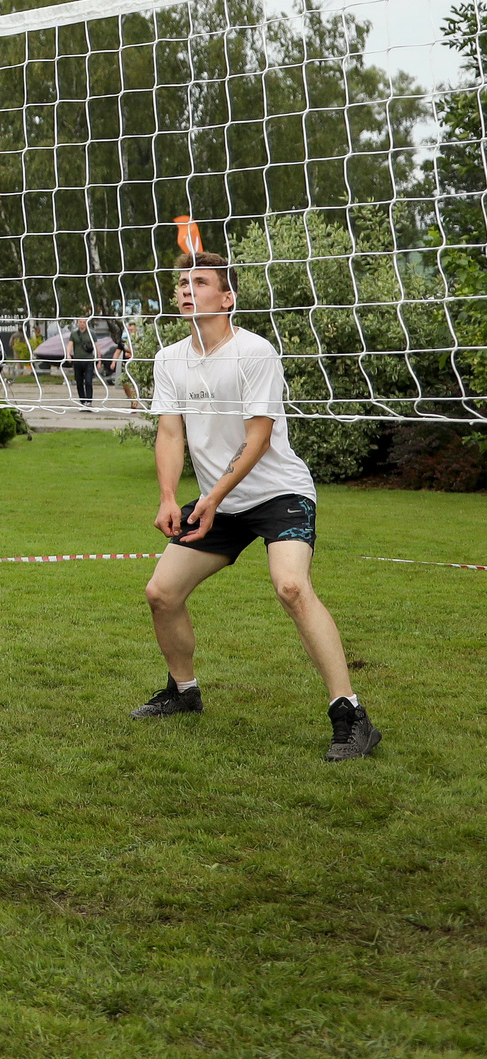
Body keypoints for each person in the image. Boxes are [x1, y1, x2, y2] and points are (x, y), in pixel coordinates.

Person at [132, 251, 378, 762]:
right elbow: (170, 432)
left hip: (278, 492)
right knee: (161, 592)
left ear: (227, 298)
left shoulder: (255, 352)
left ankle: (350, 714)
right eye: (182, 281)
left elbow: (259, 437)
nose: (185, 289)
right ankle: (183, 692)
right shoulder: (169, 358)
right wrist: (166, 497)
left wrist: (211, 498)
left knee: (291, 585)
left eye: (199, 282)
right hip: (218, 499)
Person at [67, 315, 98, 409]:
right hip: (77, 360)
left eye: (84, 322)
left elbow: (96, 345)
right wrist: (68, 354)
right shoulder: (74, 333)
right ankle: (82, 401)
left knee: (88, 381)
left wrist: (98, 357)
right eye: (80, 322)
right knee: (79, 382)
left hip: (88, 360)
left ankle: (89, 401)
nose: (82, 324)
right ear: (78, 323)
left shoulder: (91, 333)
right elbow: (70, 344)